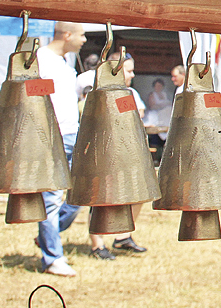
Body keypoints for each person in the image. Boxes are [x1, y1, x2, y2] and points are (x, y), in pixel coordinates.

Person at [74, 50, 149, 256]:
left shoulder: (131, 93)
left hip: (128, 151)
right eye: (129, 71)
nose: (133, 75)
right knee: (101, 199)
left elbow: (138, 114)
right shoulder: (98, 92)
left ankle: (123, 236)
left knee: (138, 194)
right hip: (103, 152)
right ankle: (97, 245)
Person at [35, 21, 88, 277]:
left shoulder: (65, 63)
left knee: (78, 196)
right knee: (52, 199)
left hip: (71, 134)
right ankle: (52, 257)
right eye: (82, 35)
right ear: (67, 35)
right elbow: (33, 94)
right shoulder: (41, 59)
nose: (85, 40)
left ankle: (49, 234)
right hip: (52, 135)